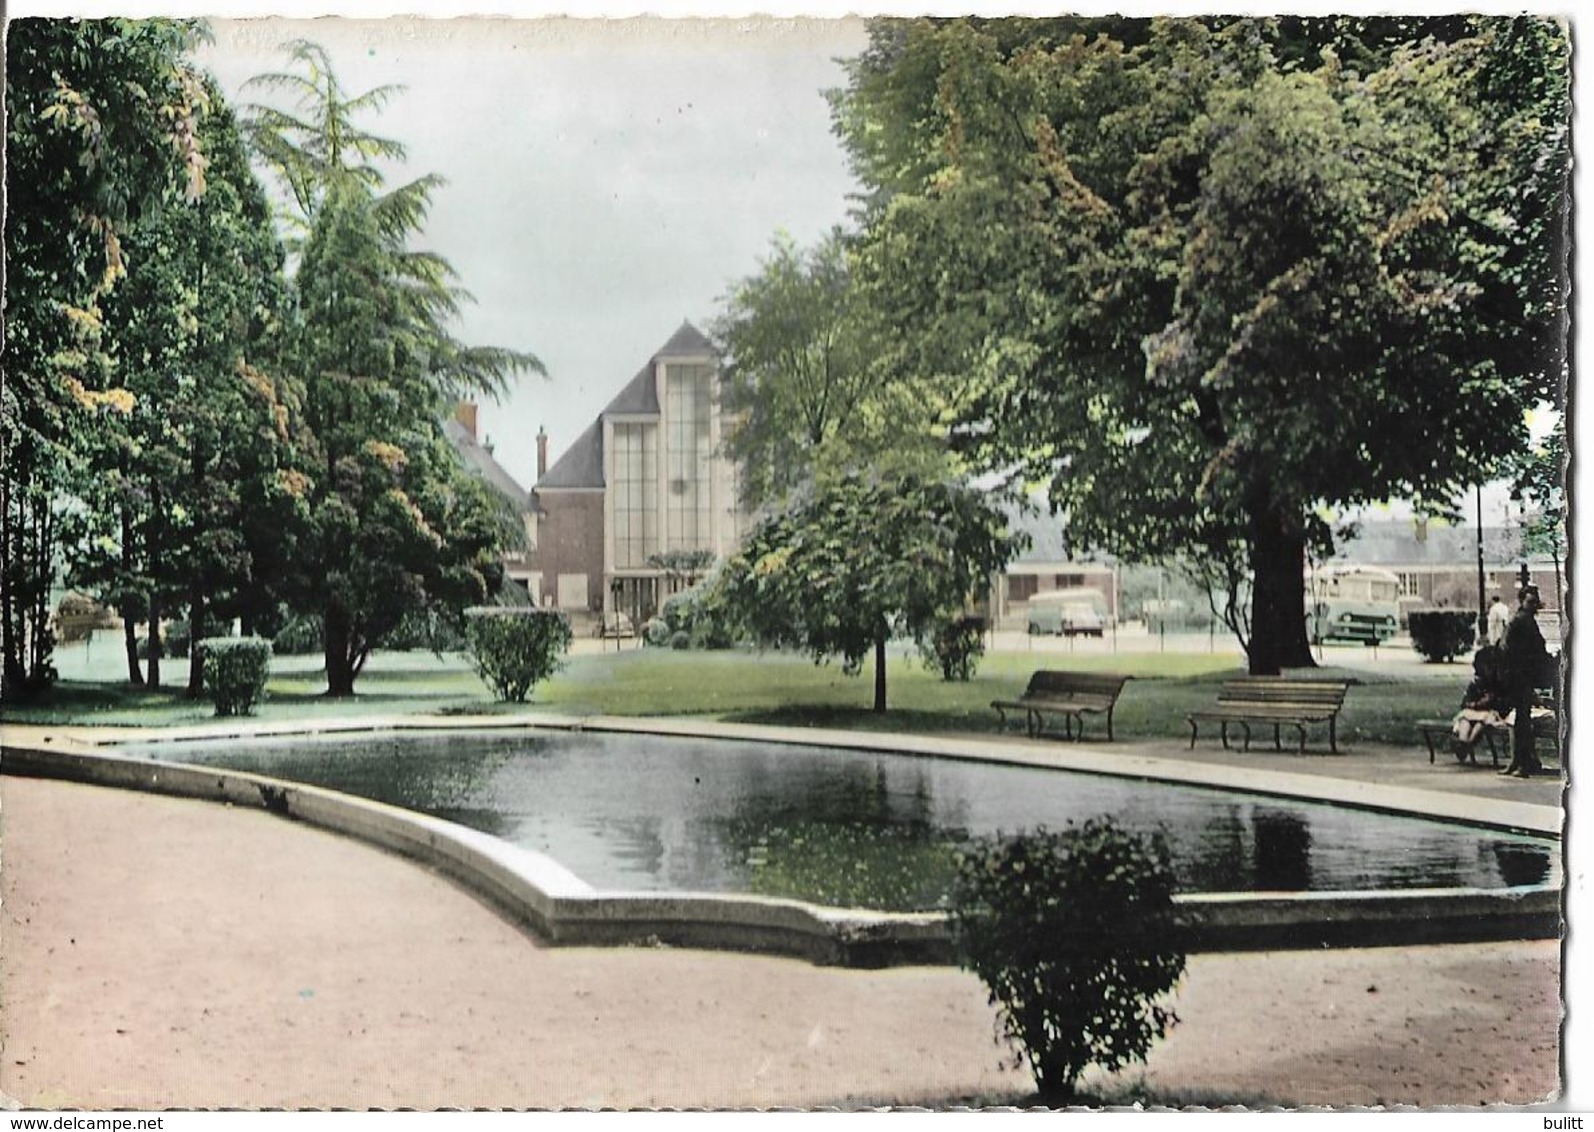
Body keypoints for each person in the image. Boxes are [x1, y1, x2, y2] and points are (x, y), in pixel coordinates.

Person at [1499, 584, 1548, 777]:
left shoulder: (1521, 620)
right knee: (1522, 722)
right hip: (1520, 677)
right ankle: (1523, 764)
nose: (1533, 605)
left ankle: (1520, 762)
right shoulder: (1523, 621)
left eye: (1534, 601)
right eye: (1530, 601)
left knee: (1521, 721)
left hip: (1517, 677)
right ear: (1523, 601)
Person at [1450, 645, 1510, 758]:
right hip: (1473, 712)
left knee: (1481, 722)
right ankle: (1462, 741)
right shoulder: (1476, 684)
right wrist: (1475, 704)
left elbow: (1503, 706)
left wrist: (1490, 701)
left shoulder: (1500, 685)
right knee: (1465, 719)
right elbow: (1465, 703)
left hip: (1491, 714)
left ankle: (1468, 743)